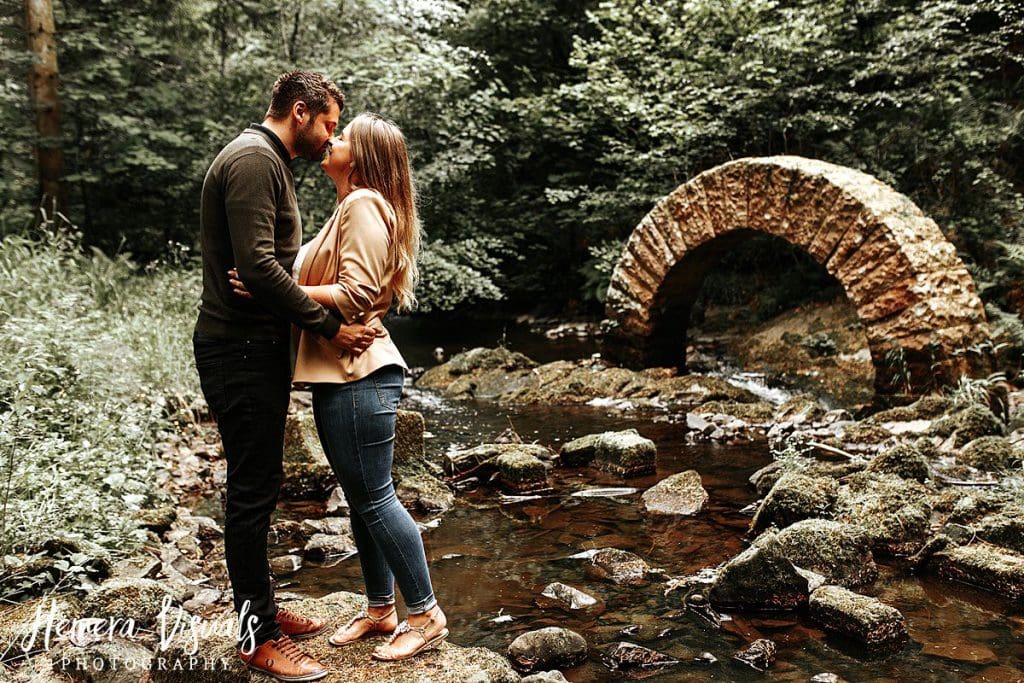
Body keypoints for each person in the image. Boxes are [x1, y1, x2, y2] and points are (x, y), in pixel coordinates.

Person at [229, 112, 448, 662]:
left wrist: (268, 290)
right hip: (344, 374)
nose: (333, 138)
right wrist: (274, 284)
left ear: (366, 156)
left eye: (345, 136)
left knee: (376, 497)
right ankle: (380, 610)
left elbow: (355, 294)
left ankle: (425, 613)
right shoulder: (349, 208)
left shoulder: (364, 204)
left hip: (361, 373)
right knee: (361, 498)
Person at [193, 71, 378, 682]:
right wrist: (330, 327)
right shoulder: (252, 160)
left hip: (254, 348)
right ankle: (257, 636)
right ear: (300, 112)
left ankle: (264, 610)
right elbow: (256, 268)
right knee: (250, 493)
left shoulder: (268, 160)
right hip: (237, 350)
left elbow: (270, 271)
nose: (331, 137)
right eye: (328, 122)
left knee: (262, 485)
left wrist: (283, 287)